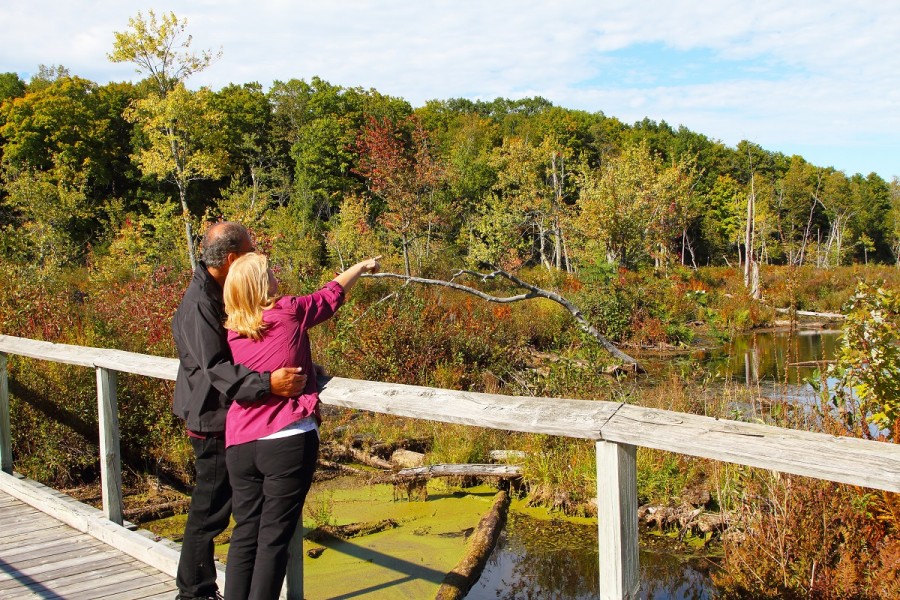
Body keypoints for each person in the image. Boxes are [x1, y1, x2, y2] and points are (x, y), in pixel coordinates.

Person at [222, 252, 381, 600]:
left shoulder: (232, 331)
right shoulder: (288, 310)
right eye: (270, 274)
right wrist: (360, 267)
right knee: (273, 541)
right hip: (286, 440)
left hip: (239, 444)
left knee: (245, 534)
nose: (276, 278)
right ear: (260, 285)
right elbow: (330, 295)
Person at [171, 222, 307, 600]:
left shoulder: (218, 292)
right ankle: (194, 593)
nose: (256, 255)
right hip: (213, 419)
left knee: (240, 518)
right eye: (250, 250)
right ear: (231, 258)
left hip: (229, 419)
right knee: (210, 511)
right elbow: (217, 368)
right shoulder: (201, 302)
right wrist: (269, 383)